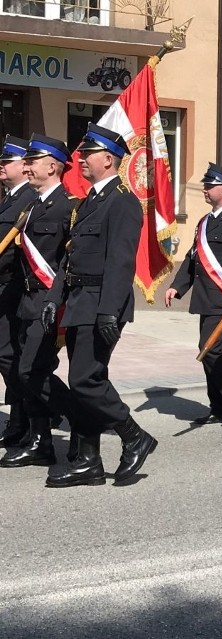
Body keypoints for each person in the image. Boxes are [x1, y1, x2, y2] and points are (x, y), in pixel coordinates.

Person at [42, 123, 157, 487]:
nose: (79, 158)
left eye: (86, 152)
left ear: (107, 159)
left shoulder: (122, 201)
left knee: (85, 379)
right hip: (79, 302)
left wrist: (110, 309)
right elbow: (71, 257)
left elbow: (121, 261)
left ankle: (134, 435)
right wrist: (54, 297)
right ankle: (88, 462)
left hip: (101, 305)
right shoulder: (90, 200)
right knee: (83, 384)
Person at [0, 135, 78, 468]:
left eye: (32, 161)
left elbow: (67, 260)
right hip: (26, 299)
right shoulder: (32, 206)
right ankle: (40, 438)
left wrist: (58, 299)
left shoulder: (70, 205)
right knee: (27, 368)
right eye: (26, 160)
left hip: (48, 300)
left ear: (52, 165)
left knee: (30, 369)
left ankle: (86, 416)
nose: (27, 165)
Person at [165, 163, 222, 427]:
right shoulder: (205, 222)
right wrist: (177, 286)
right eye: (205, 185)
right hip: (205, 298)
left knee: (210, 349)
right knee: (213, 352)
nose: (204, 190)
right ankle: (218, 405)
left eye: (209, 186)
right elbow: (193, 258)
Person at [0, 135, 37, 449]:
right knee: (8, 358)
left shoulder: (28, 200)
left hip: (13, 290)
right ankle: (19, 419)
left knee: (11, 357)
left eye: (6, 161)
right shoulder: (11, 197)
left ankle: (26, 419)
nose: (0, 166)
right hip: (4, 289)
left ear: (25, 167)